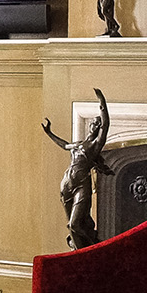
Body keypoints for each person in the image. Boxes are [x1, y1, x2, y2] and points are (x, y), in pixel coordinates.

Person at [40, 89, 117, 248]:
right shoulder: (78, 144)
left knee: (74, 225)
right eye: (93, 123)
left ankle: (90, 248)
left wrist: (101, 102)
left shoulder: (95, 146)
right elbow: (64, 145)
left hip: (82, 185)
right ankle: (78, 253)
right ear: (90, 126)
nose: (95, 126)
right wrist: (49, 133)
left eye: (97, 124)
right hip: (67, 183)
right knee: (71, 226)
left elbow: (106, 123)